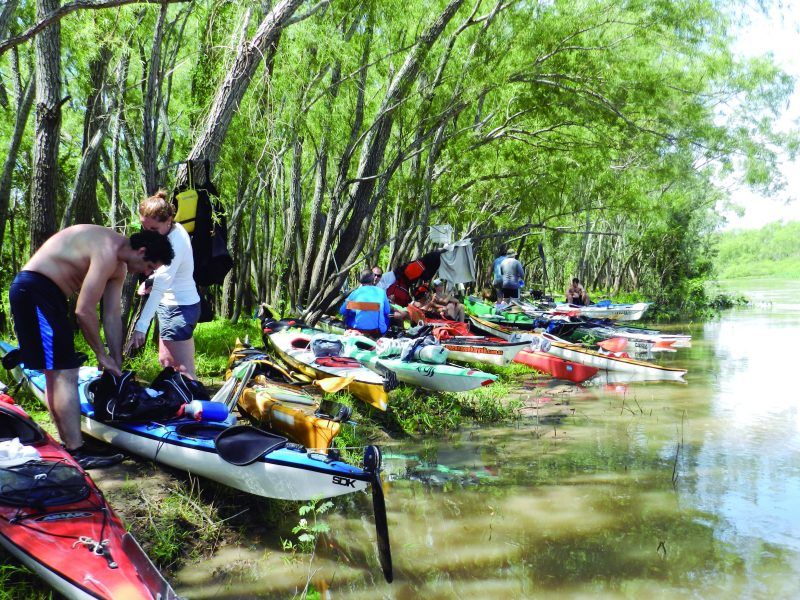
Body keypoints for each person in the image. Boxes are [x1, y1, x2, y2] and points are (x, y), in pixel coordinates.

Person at [8, 225, 174, 468]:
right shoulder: (107, 250)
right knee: (63, 372)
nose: (147, 273)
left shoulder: (119, 266)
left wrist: (115, 359)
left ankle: (71, 445)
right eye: (149, 266)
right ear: (141, 251)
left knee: (60, 372)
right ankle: (76, 450)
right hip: (33, 289)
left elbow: (112, 315)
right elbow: (84, 311)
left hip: (48, 295)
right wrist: (100, 354)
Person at [124, 190, 201, 379]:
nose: (148, 234)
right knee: (167, 362)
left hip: (179, 307)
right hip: (174, 305)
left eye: (153, 229)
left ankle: (193, 397)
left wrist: (141, 327)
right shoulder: (170, 232)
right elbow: (166, 274)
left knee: (181, 370)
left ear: (169, 220)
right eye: (144, 228)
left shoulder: (175, 242)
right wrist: (150, 280)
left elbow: (160, 287)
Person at [339, 269, 392, 338]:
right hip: (375, 331)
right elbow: (387, 311)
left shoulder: (355, 293)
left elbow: (342, 311)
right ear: (372, 279)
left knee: (348, 313)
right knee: (386, 316)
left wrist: (356, 308)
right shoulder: (381, 292)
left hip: (356, 330)